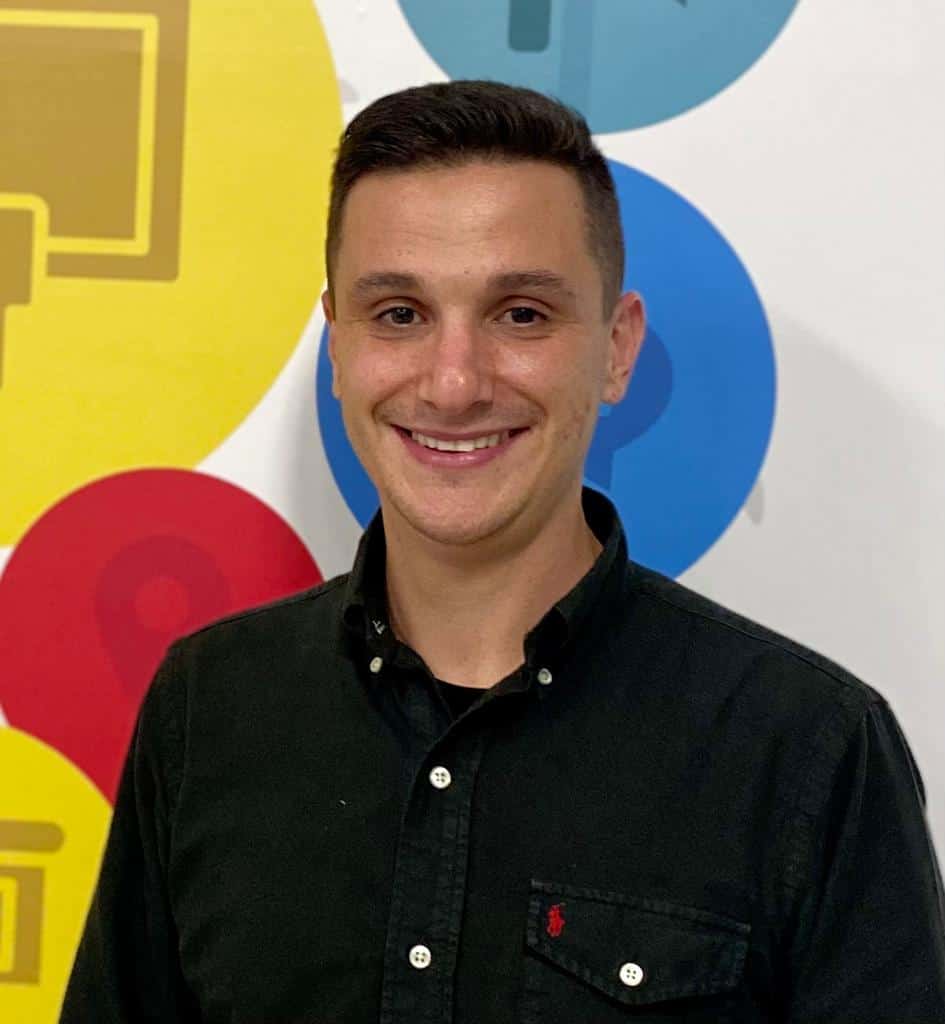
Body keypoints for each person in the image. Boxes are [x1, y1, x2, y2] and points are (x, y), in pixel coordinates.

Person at [61, 81, 945, 1023]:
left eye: (520, 314)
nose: (453, 385)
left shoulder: (808, 749)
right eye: (398, 313)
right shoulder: (208, 706)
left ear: (616, 349)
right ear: (338, 347)